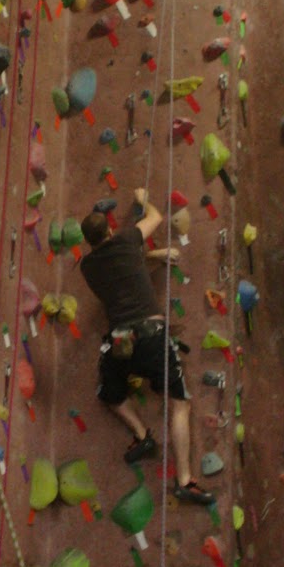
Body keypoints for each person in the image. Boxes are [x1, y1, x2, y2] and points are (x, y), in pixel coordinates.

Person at [79, 188, 213, 505]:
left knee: (110, 395)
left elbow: (122, 272)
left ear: (88, 242)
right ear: (110, 229)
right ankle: (184, 480)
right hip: (151, 335)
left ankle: (142, 435)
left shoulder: (87, 267)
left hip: (119, 341)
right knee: (180, 404)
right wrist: (142, 199)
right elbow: (156, 217)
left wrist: (154, 256)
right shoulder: (127, 240)